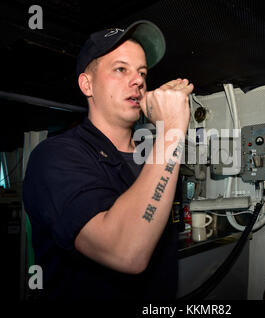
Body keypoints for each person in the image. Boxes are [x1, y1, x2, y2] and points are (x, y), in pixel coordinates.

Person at [22, 20, 194, 300]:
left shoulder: (152, 156)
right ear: (87, 85)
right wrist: (172, 128)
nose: (138, 80)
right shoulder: (54, 156)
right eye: (120, 69)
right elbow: (126, 252)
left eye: (142, 72)